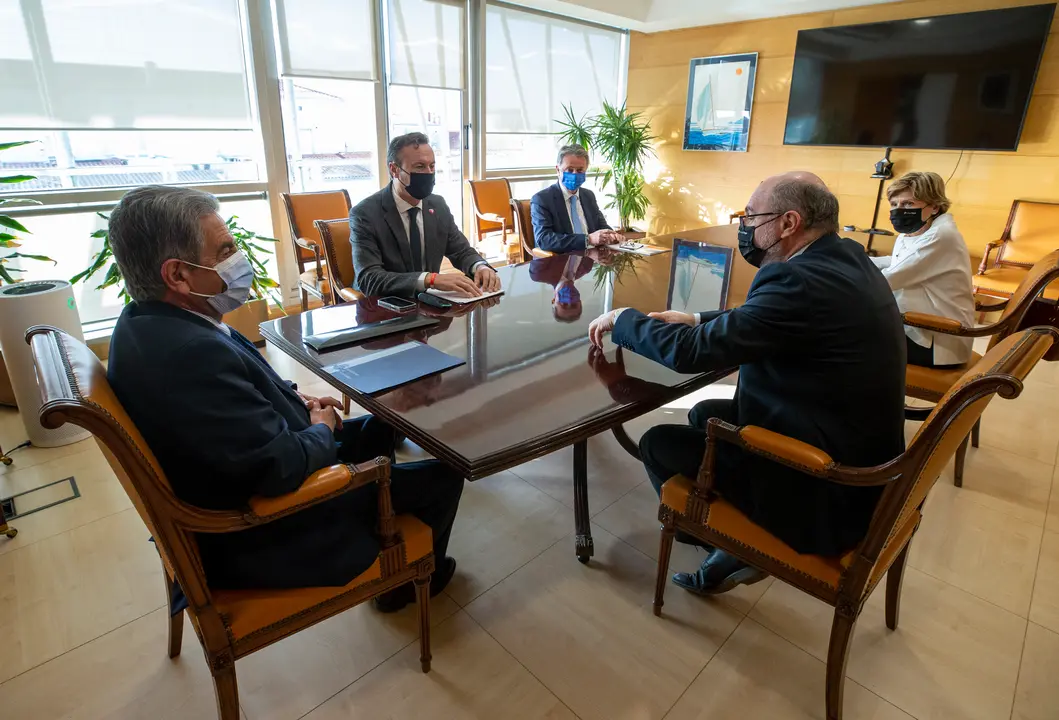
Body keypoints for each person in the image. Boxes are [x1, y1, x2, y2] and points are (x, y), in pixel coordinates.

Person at [106, 185, 464, 613]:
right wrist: (318, 427)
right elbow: (278, 469)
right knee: (446, 473)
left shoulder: (147, 323)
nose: (238, 259)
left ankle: (391, 531)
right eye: (225, 251)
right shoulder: (189, 354)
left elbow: (228, 399)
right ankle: (405, 583)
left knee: (381, 423)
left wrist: (292, 398)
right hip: (271, 527)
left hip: (243, 466)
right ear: (178, 276)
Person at [587, 172, 906, 596]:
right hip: (856, 453)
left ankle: (733, 542)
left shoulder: (795, 280)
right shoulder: (844, 256)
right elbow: (765, 320)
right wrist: (695, 317)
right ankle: (728, 527)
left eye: (752, 216)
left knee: (658, 443)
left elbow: (690, 355)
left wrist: (625, 319)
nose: (746, 226)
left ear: (789, 223)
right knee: (703, 413)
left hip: (824, 486)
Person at [350, 132, 501, 298]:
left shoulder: (438, 205)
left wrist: (480, 266)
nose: (429, 173)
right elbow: (369, 279)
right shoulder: (365, 214)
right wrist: (431, 279)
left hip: (430, 303)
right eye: (419, 167)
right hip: (384, 307)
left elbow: (461, 250)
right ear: (394, 169)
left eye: (432, 166)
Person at [872, 171, 975, 368]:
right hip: (915, 326)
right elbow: (897, 262)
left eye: (908, 204)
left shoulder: (940, 236)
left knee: (841, 337)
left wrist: (839, 272)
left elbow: (886, 281)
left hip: (936, 339)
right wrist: (853, 258)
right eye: (895, 204)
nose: (898, 210)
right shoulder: (917, 230)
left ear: (934, 207)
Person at [531, 144, 624, 253]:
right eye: (569, 170)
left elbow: (601, 225)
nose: (574, 174)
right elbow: (544, 239)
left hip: (591, 259)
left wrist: (612, 236)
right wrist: (587, 240)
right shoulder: (542, 199)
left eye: (580, 170)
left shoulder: (588, 196)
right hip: (560, 262)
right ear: (558, 170)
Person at [529, 252, 596, 323]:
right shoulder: (586, 267)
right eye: (574, 305)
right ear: (580, 301)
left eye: (564, 304)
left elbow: (544, 245)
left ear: (554, 301)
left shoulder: (539, 274)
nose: (569, 300)